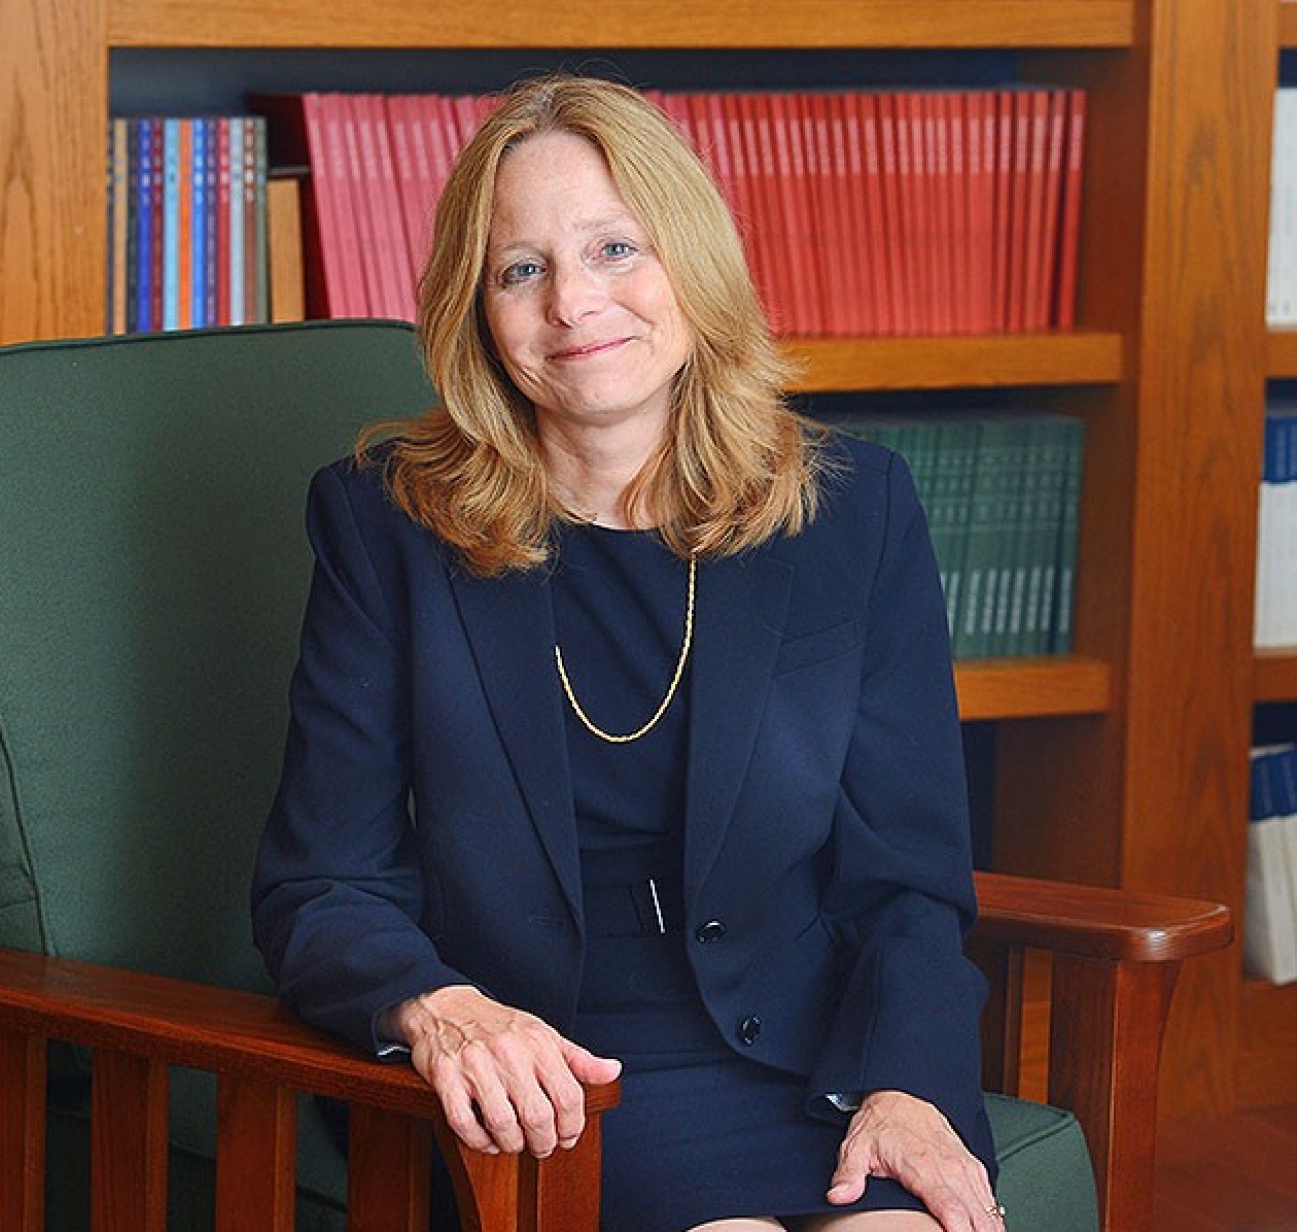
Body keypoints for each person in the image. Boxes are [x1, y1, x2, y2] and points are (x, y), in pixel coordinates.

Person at [251, 73, 1004, 1232]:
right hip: (546, 1076)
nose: (571, 302)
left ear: (689, 265)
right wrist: (438, 1008)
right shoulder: (384, 523)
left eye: (613, 247)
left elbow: (903, 873)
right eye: (521, 269)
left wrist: (907, 1079)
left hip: (813, 1059)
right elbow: (320, 883)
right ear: (477, 312)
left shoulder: (849, 508)